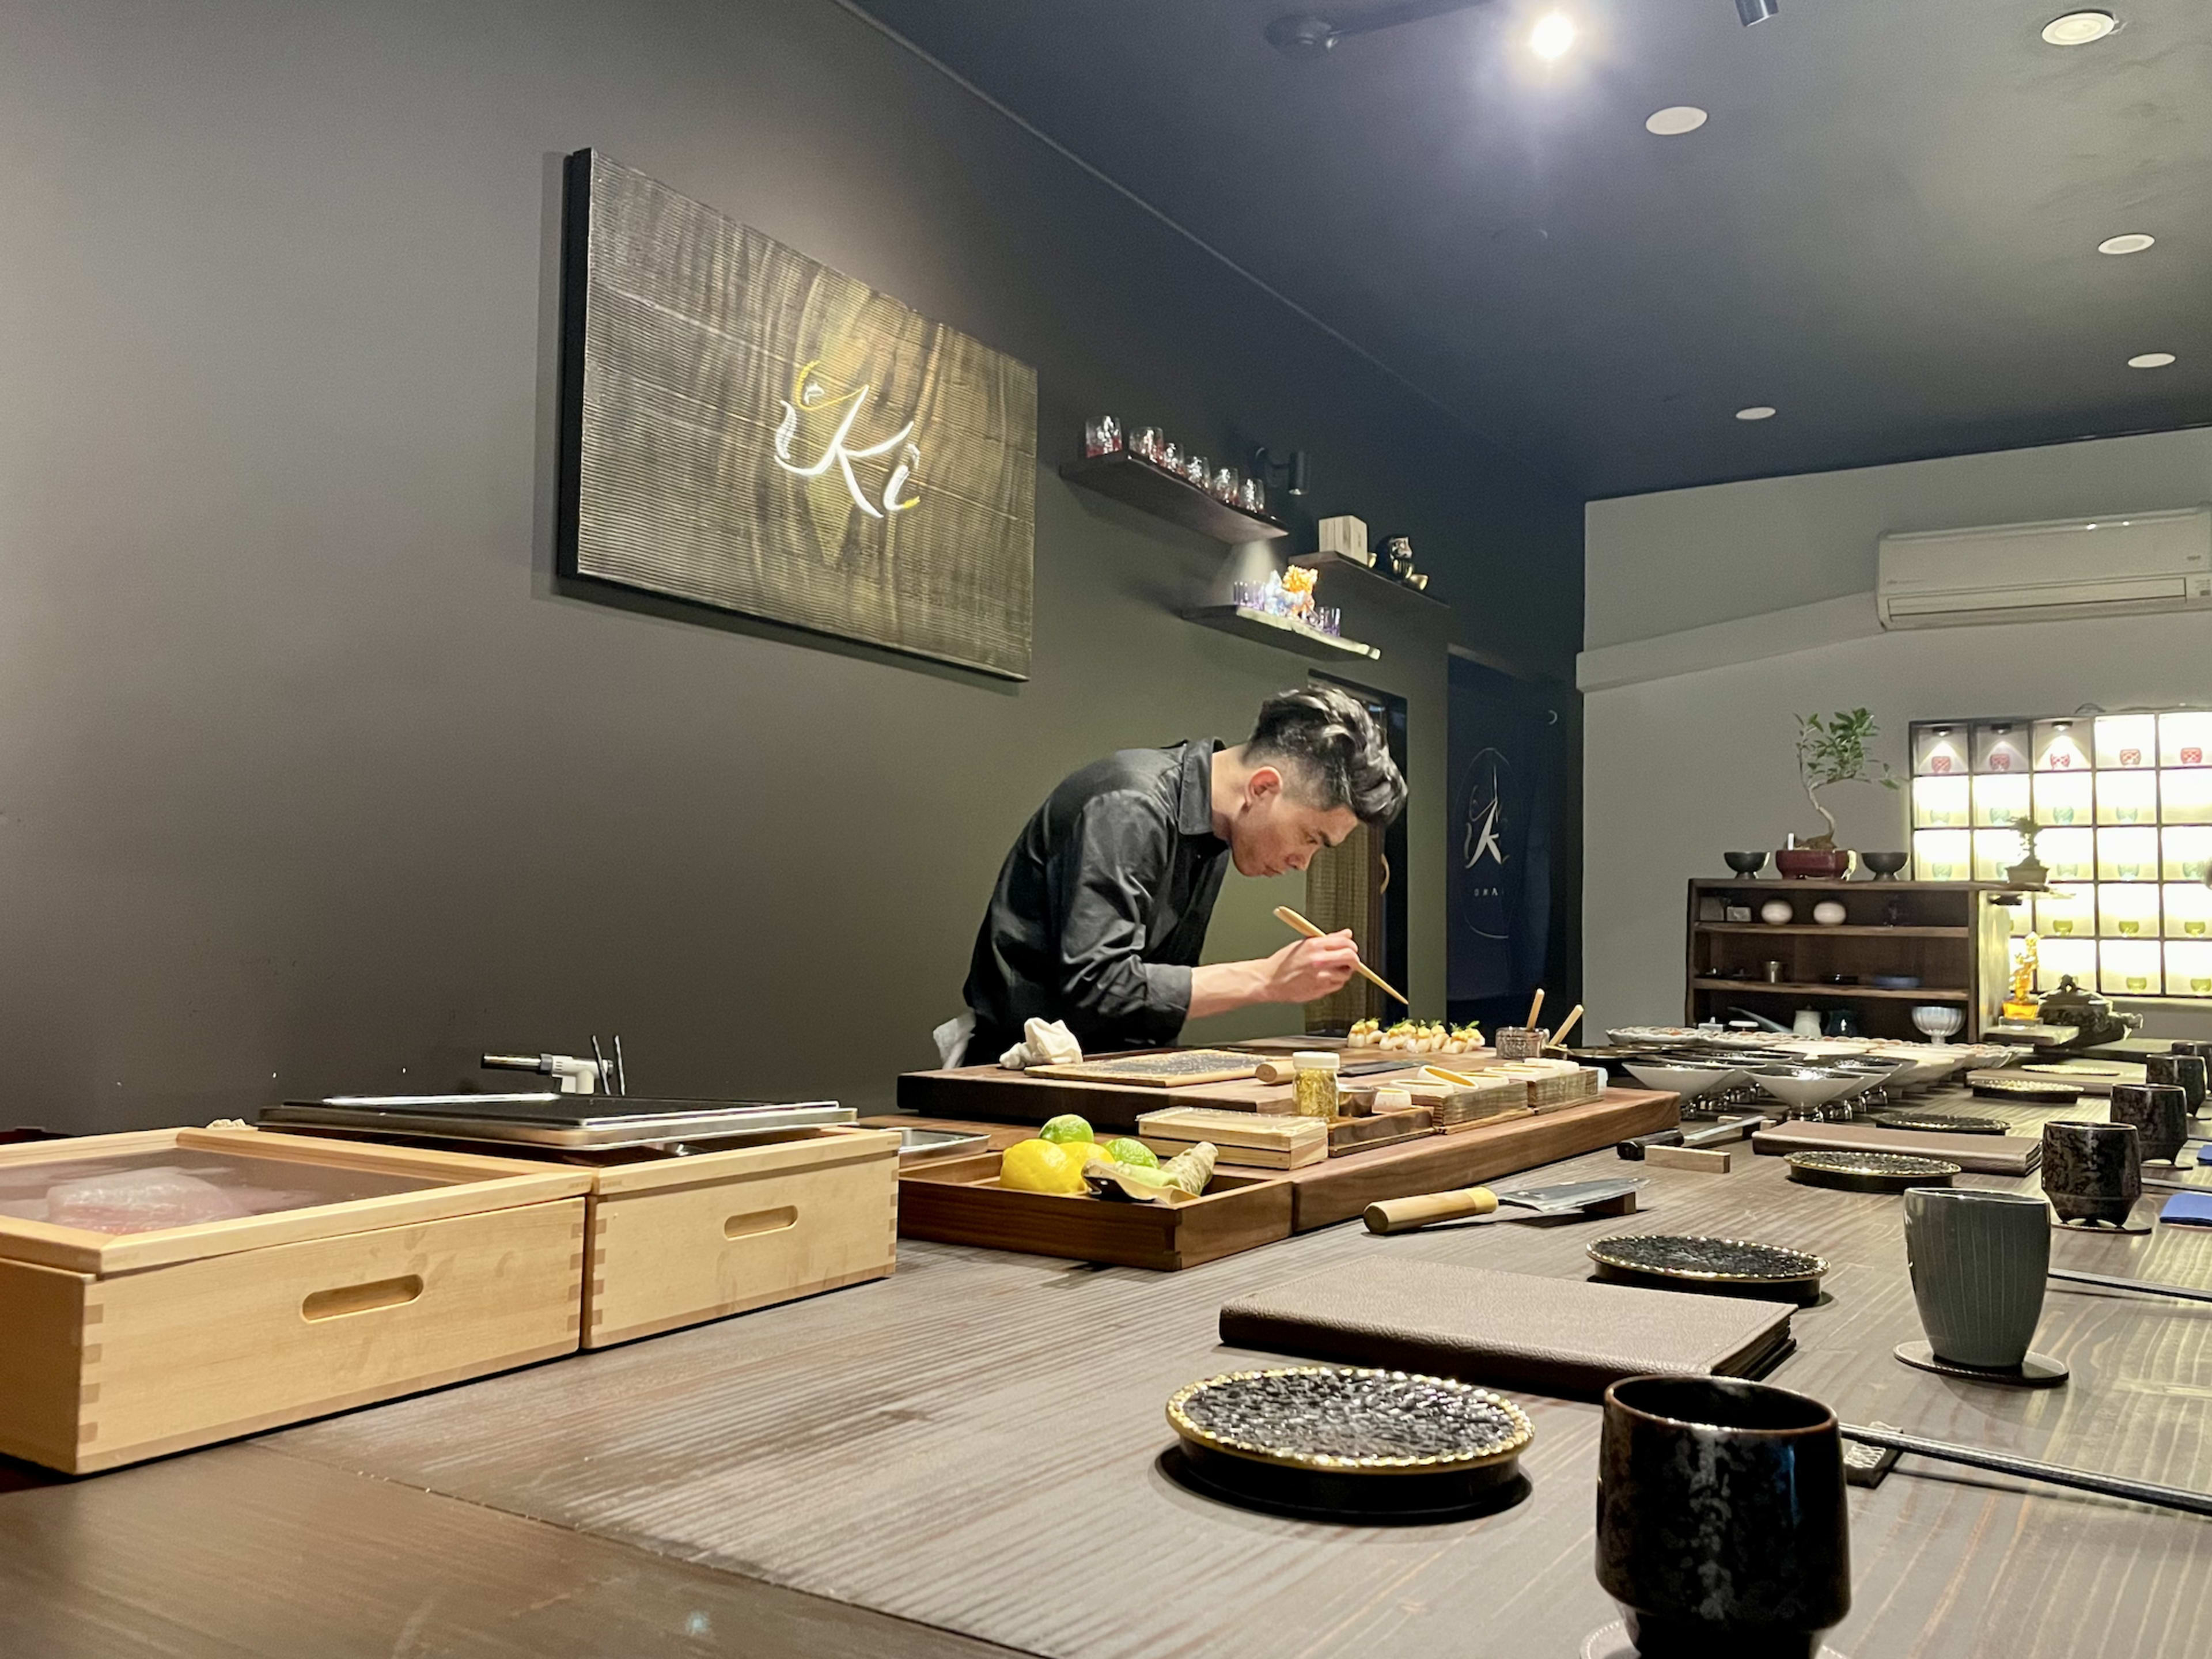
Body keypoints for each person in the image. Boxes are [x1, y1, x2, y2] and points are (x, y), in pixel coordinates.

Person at [957, 685, 1408, 1065]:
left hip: (1107, 1073)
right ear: (1263, 788)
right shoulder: (1130, 805)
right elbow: (1097, 987)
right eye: (1310, 837)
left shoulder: (1213, 832)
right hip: (1018, 1077)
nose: (1302, 862)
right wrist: (1266, 979)